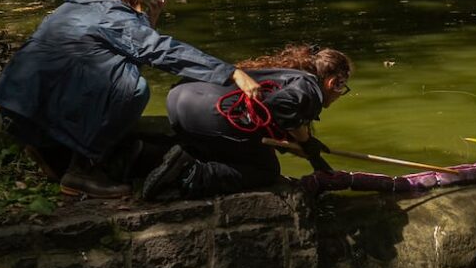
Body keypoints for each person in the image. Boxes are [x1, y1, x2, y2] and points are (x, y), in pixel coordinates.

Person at [0, 0, 260, 198]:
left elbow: (114, 54)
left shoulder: (75, 5)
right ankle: (82, 171)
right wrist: (230, 72)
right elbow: (160, 51)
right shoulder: (109, 15)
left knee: (119, 73)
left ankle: (52, 155)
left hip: (17, 110)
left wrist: (144, 23)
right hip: (38, 115)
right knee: (133, 89)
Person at [140, 45, 351, 201]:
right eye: (343, 89)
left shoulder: (283, 74)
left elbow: (271, 118)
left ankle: (150, 155)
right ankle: (190, 176)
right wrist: (306, 142)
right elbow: (283, 106)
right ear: (333, 83)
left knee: (237, 153)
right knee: (266, 169)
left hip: (180, 100)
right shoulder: (311, 88)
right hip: (207, 113)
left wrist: (308, 151)